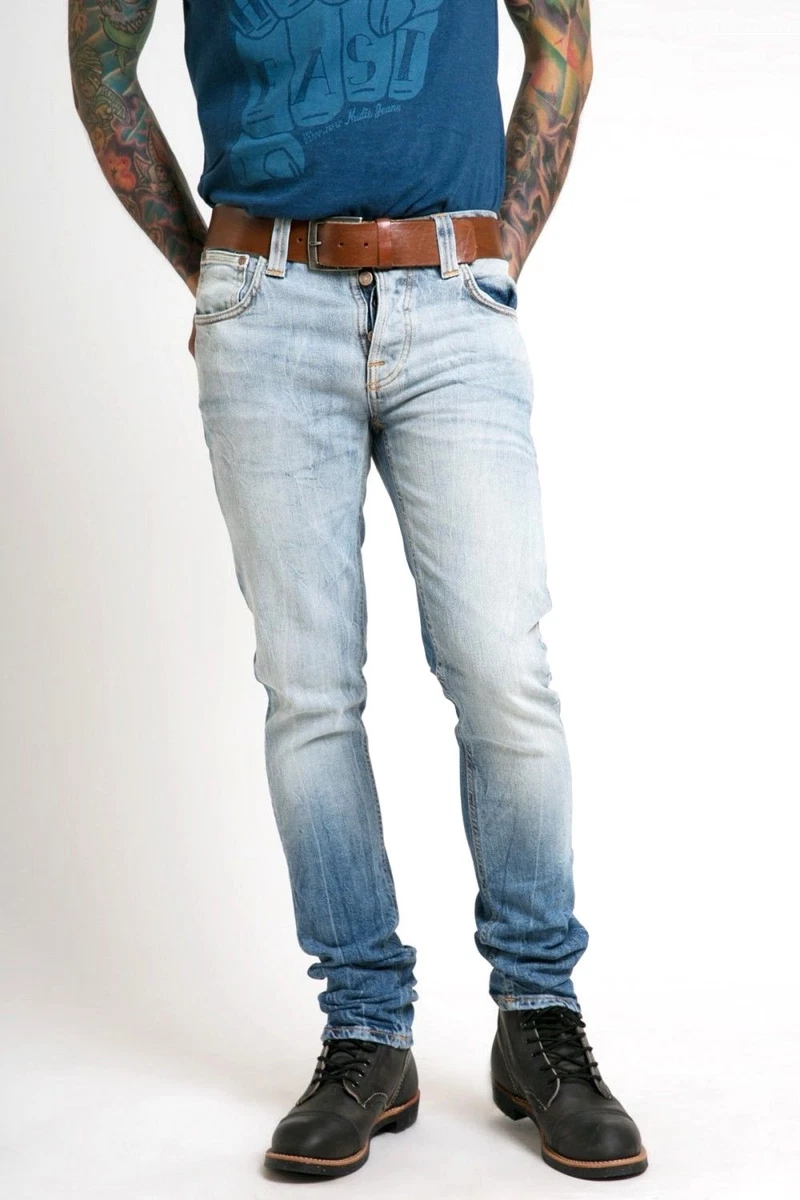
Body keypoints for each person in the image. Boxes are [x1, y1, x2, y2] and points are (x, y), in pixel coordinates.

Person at [69, 0, 647, 1182]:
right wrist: (212, 271)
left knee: (502, 668)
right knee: (309, 692)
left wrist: (493, 254)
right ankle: (366, 1031)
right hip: (263, 300)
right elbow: (102, 65)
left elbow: (561, 42)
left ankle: (537, 1017)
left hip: (452, 290)